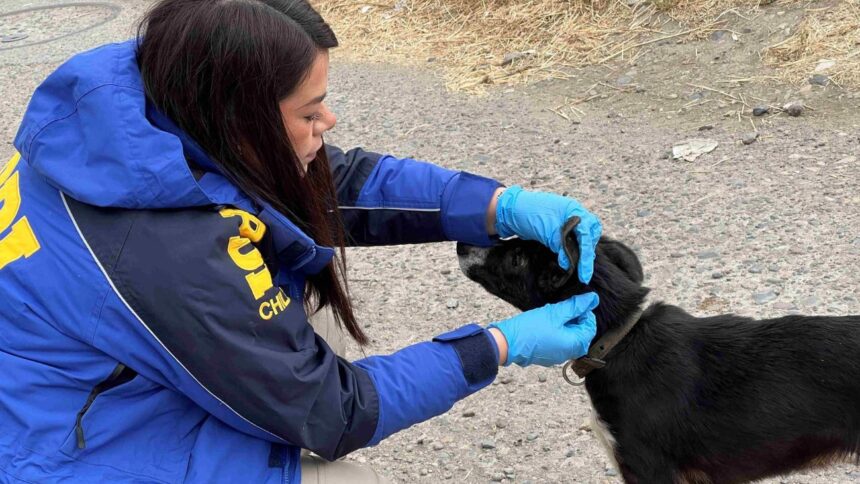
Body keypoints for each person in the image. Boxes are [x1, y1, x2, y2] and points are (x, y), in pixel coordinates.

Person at [0, 0, 603, 482]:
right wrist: (498, 345)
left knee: (308, 315)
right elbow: (336, 412)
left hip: (90, 372)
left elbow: (321, 181)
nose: (329, 124)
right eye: (310, 112)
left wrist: (499, 206)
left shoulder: (139, 106)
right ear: (240, 120)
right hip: (71, 448)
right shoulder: (168, 251)